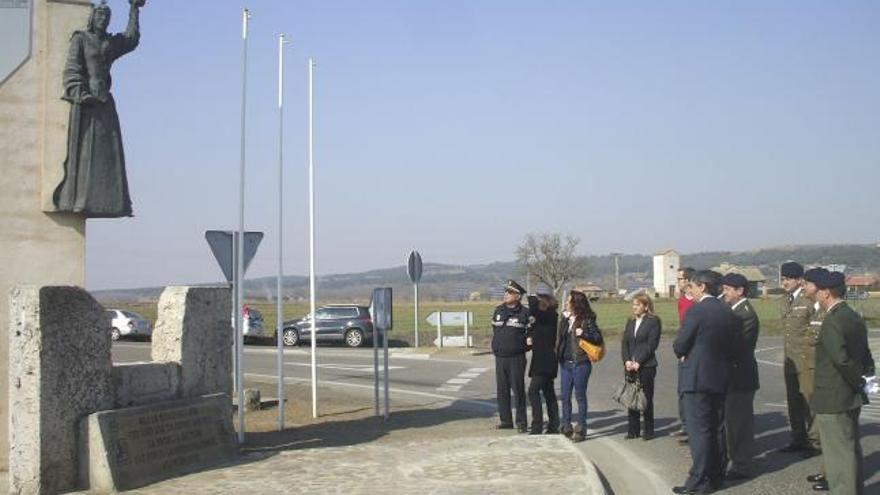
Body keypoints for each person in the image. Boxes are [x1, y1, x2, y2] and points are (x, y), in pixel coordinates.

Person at [54, 0, 143, 218]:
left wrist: (134, 9)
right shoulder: (81, 39)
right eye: (100, 16)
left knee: (107, 156)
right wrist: (79, 92)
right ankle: (78, 199)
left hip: (104, 105)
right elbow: (72, 69)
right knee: (84, 155)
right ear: (93, 18)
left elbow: (130, 39)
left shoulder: (108, 43)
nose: (103, 20)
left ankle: (111, 201)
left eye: (107, 17)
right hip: (86, 104)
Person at [672, 270, 738, 495]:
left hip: (697, 378)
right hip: (720, 376)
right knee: (717, 427)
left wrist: (683, 351)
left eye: (691, 286)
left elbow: (680, 345)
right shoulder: (728, 311)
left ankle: (698, 480)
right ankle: (717, 475)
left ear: (702, 287)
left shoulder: (697, 311)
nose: (689, 290)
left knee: (699, 431)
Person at [810, 271, 875, 495]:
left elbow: (841, 359)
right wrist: (865, 380)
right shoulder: (852, 315)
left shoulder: (833, 320)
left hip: (834, 395)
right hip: (849, 395)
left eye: (817, 290)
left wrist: (857, 381)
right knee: (849, 449)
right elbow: (865, 353)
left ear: (826, 292)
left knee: (838, 455)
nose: (815, 294)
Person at [720, 273, 760, 480]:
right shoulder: (730, 310)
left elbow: (738, 346)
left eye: (727, 289)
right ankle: (733, 459)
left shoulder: (746, 315)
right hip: (729, 376)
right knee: (730, 422)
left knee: (740, 424)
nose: (723, 293)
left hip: (740, 377)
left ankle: (742, 465)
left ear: (740, 291)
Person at [778, 261, 821, 455]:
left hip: (805, 360)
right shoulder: (784, 300)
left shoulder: (809, 300)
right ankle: (798, 438)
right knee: (793, 400)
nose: (785, 282)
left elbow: (816, 328)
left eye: (788, 279)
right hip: (790, 359)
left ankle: (814, 440)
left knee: (809, 400)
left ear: (799, 280)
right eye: (783, 278)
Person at [556, 290, 598, 443]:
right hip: (565, 363)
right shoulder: (566, 319)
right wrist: (564, 320)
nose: (566, 303)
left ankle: (581, 428)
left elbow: (597, 338)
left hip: (580, 363)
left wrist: (584, 334)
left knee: (580, 396)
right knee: (565, 396)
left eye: (569, 301)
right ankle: (566, 425)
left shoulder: (587, 319)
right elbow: (560, 339)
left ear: (576, 303)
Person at [491, 280, 530, 432]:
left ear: (518, 296)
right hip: (500, 357)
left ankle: (521, 422)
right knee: (502, 390)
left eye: (509, 292)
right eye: (505, 292)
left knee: (518, 390)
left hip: (516, 357)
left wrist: (523, 346)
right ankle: (506, 420)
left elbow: (531, 334)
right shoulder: (498, 310)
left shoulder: (525, 313)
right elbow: (495, 330)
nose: (506, 295)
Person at [621, 293, 661, 440]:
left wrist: (639, 361)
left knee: (646, 397)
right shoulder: (630, 321)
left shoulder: (653, 321)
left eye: (637, 305)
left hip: (646, 366)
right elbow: (625, 343)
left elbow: (652, 344)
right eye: (633, 305)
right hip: (630, 365)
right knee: (632, 396)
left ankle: (649, 430)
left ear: (646, 306)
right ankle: (633, 430)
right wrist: (627, 361)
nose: (634, 307)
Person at [526, 290, 560, 434]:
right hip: (543, 360)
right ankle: (553, 424)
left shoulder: (549, 316)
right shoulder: (544, 318)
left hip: (544, 362)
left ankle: (537, 425)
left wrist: (532, 298)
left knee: (533, 391)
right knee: (548, 393)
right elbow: (533, 321)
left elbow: (534, 310)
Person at [674, 266, 696, 441]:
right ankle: (686, 425)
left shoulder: (698, 302)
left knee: (693, 389)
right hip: (683, 351)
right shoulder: (681, 301)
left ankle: (694, 426)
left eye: (680, 279)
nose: (678, 282)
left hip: (695, 351)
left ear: (688, 281)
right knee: (681, 390)